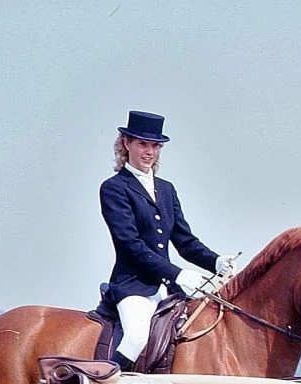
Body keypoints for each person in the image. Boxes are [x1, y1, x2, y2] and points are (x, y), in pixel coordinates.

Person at [99, 110, 235, 370]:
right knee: (136, 337)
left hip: (169, 291)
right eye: (142, 144)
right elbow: (131, 244)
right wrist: (178, 274)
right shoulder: (114, 188)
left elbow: (185, 241)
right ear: (126, 144)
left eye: (154, 146)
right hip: (134, 286)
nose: (149, 152)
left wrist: (215, 261)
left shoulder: (166, 189)